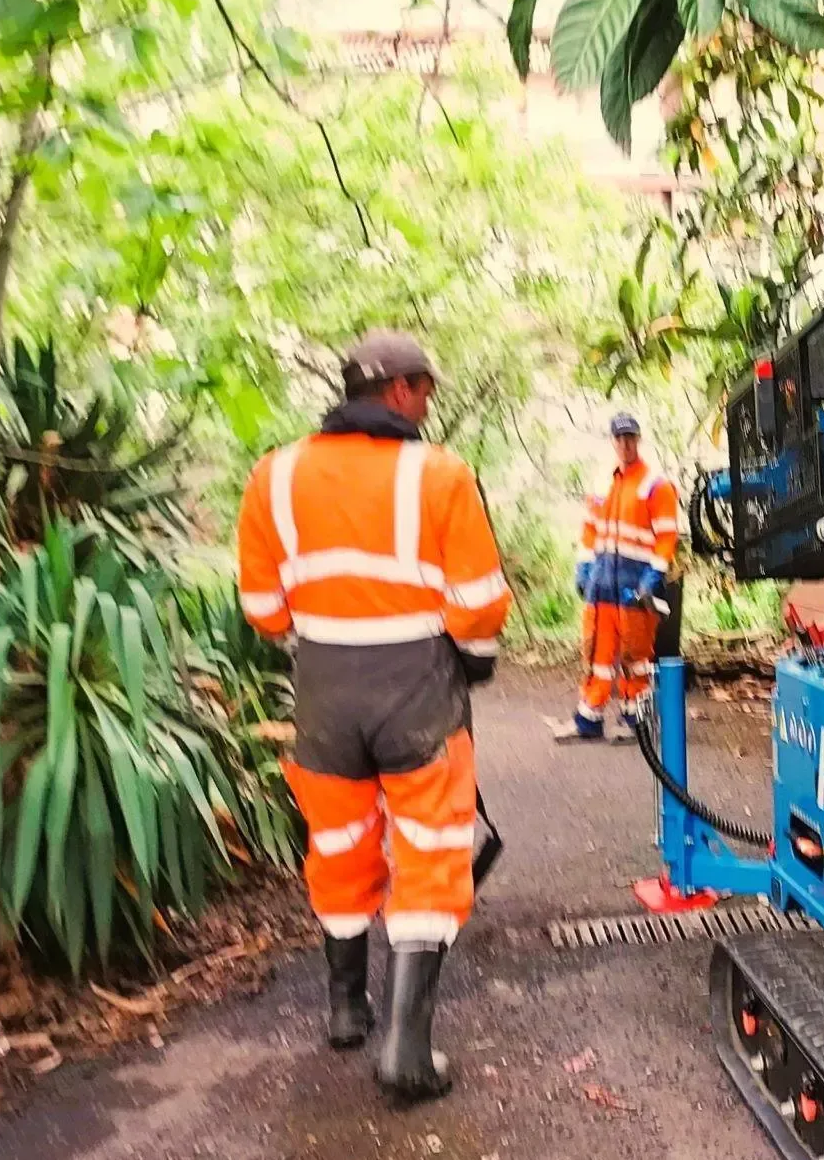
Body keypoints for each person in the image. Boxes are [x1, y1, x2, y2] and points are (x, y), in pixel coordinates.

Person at [236, 332, 511, 1102]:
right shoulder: (440, 474)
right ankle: (407, 1051)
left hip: (324, 690)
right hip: (416, 687)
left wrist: (321, 631)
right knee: (429, 849)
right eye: (425, 389)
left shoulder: (273, 476)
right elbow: (479, 602)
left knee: (339, 841)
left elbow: (262, 609)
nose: (428, 404)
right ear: (397, 390)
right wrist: (474, 657)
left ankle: (345, 1008)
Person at [559, 410, 679, 742]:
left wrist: (654, 575)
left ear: (638, 440)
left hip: (634, 585)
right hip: (601, 586)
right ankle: (589, 718)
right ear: (613, 441)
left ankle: (635, 720)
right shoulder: (602, 483)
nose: (625, 444)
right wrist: (583, 567)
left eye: (630, 438)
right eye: (620, 438)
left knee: (635, 655)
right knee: (596, 653)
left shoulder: (655, 485)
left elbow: (667, 536)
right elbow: (589, 531)